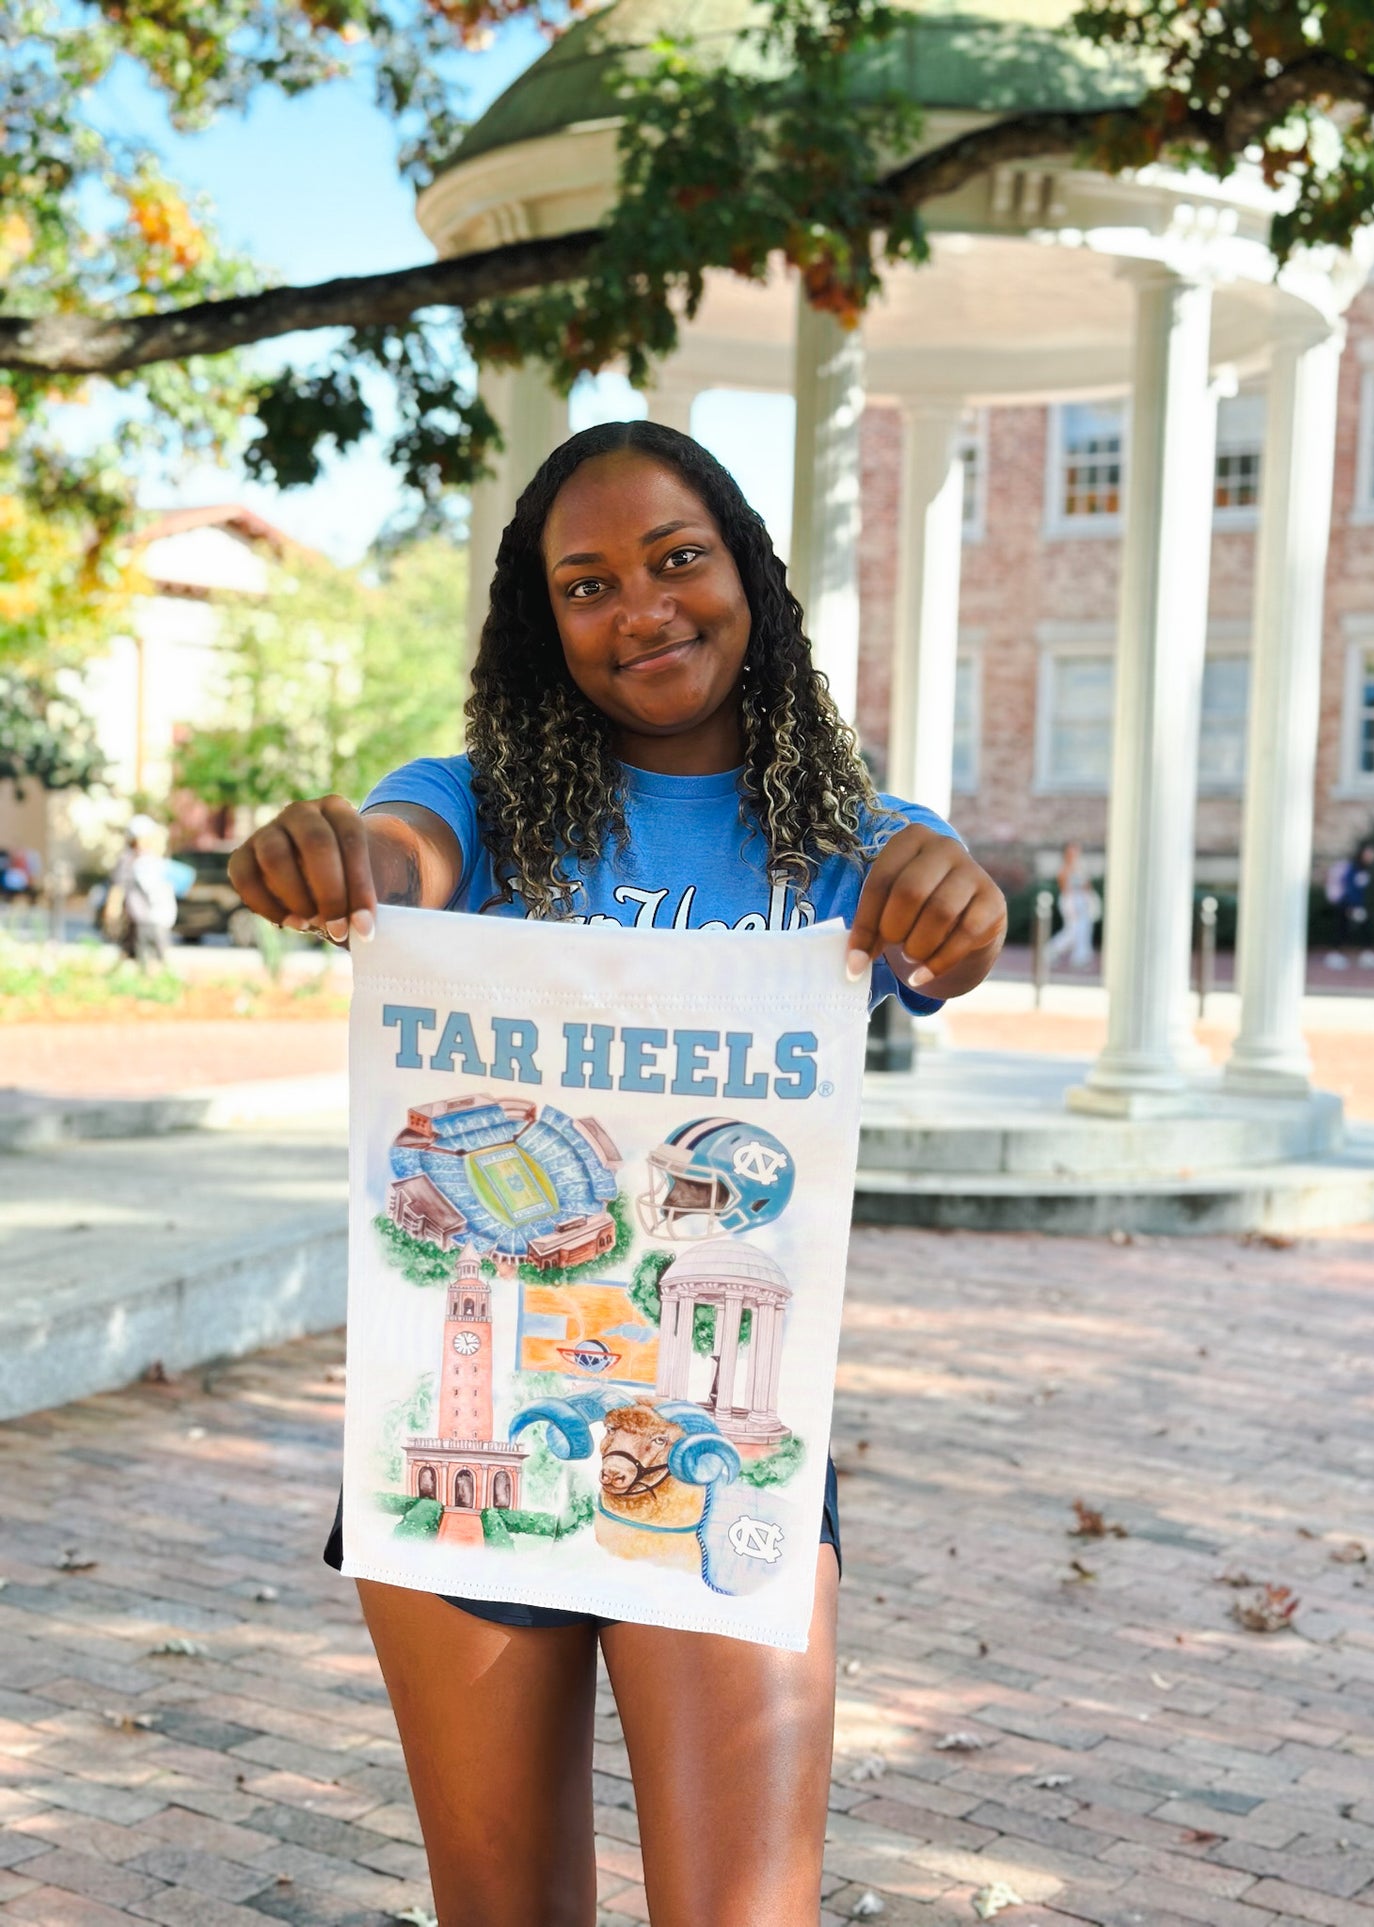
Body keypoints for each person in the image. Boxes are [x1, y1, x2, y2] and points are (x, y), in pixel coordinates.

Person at [227, 421, 1007, 1927]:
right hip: (464, 1427)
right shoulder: (469, 802)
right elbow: (397, 859)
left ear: (747, 575)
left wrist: (960, 908)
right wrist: (335, 861)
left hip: (723, 1441)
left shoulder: (853, 841)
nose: (640, 608)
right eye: (585, 584)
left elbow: (949, 933)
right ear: (545, 624)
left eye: (675, 559)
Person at [107, 815, 177, 969]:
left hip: (151, 917)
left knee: (151, 958)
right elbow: (118, 888)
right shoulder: (131, 860)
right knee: (143, 956)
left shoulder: (152, 859)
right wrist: (113, 910)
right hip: (143, 918)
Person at [1325, 839, 1374, 970]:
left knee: (1360, 928)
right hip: (1347, 904)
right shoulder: (1353, 868)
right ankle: (1336, 954)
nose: (1371, 857)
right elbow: (1350, 888)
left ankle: (1364, 953)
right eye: (1368, 854)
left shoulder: (1364, 869)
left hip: (1354, 904)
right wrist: (1352, 906)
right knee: (1343, 929)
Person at [1045, 840, 1097, 970]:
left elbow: (1087, 886)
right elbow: (1065, 889)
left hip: (1083, 901)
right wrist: (1073, 905)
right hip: (1071, 902)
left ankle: (1081, 958)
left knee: (1083, 930)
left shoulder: (1081, 867)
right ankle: (1050, 951)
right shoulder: (1064, 869)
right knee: (1072, 931)